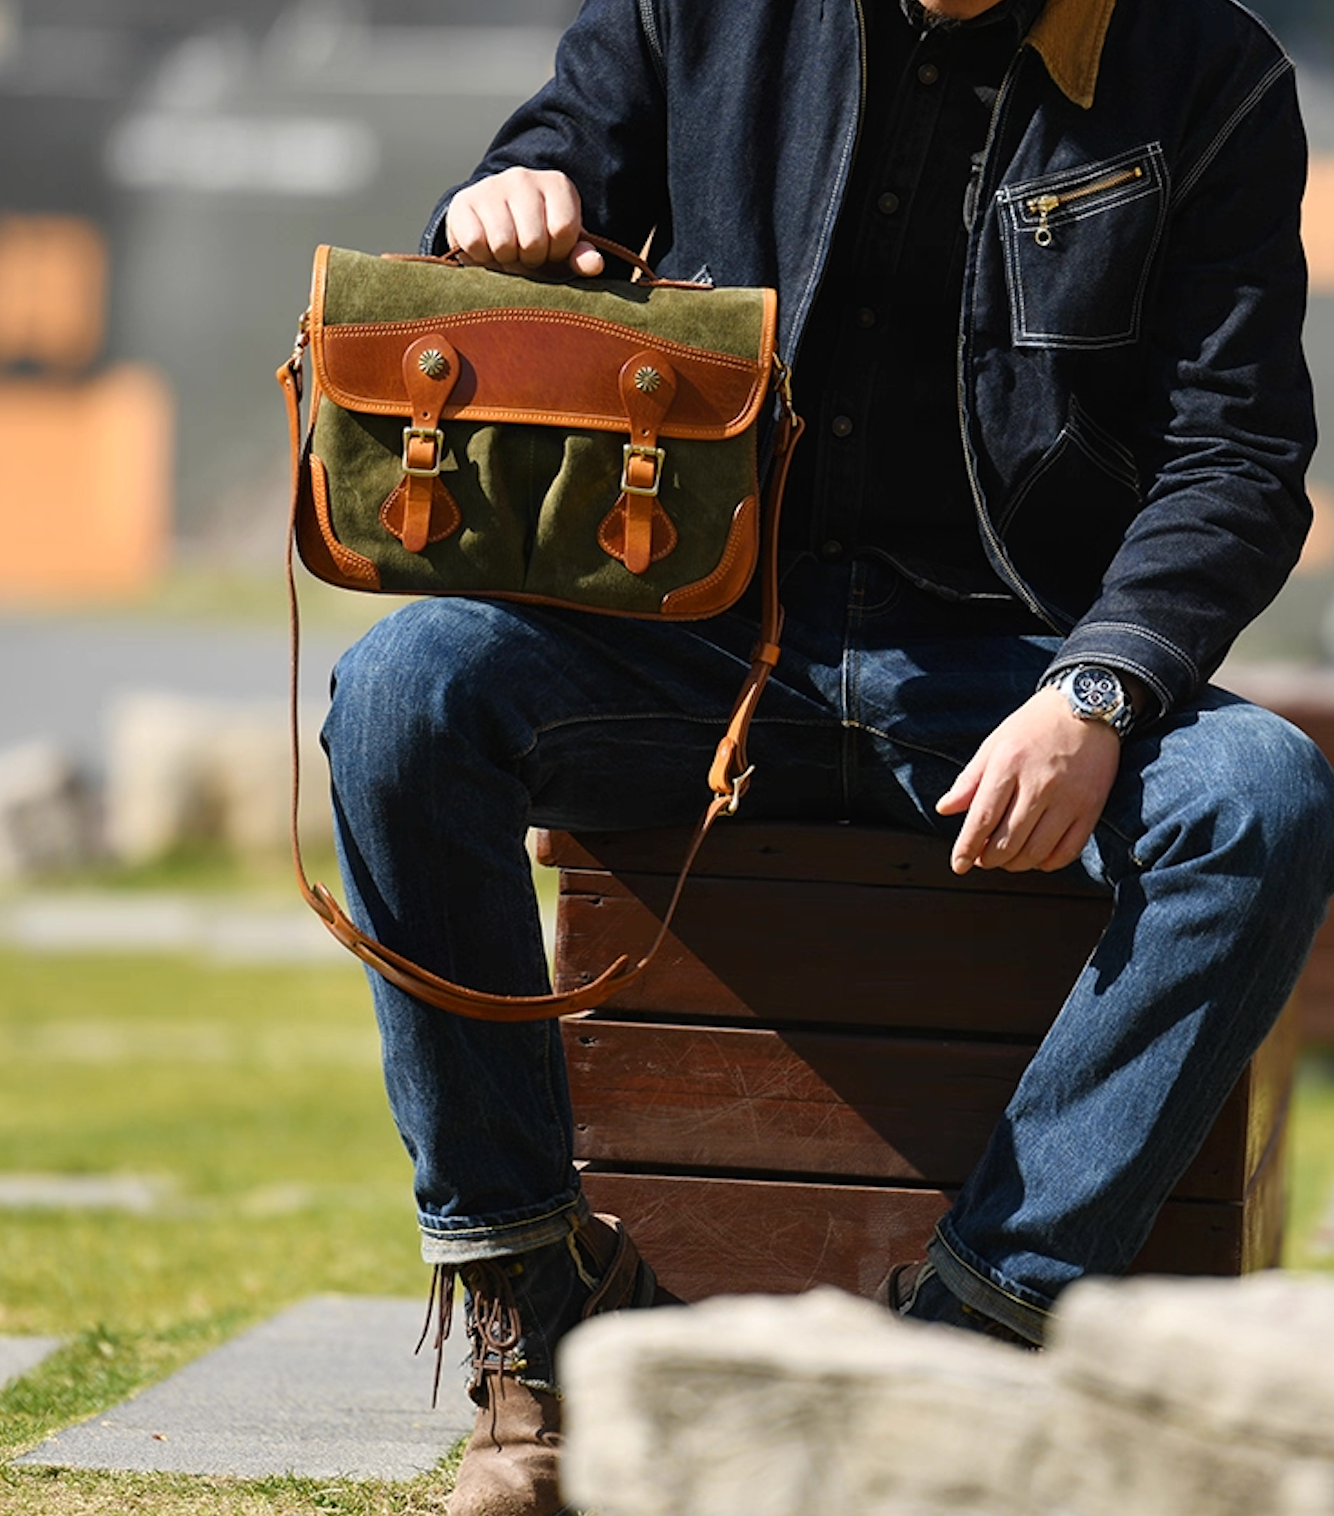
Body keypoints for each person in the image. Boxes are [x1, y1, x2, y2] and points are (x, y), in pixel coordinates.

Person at [320, 0, 1334, 1511]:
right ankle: (531, 1321)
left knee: (1259, 801)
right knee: (403, 692)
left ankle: (973, 1339)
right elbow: (551, 180)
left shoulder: (1205, 65)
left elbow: (1238, 457)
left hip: (1018, 669)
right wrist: (504, 198)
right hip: (704, 645)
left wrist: (1102, 692)